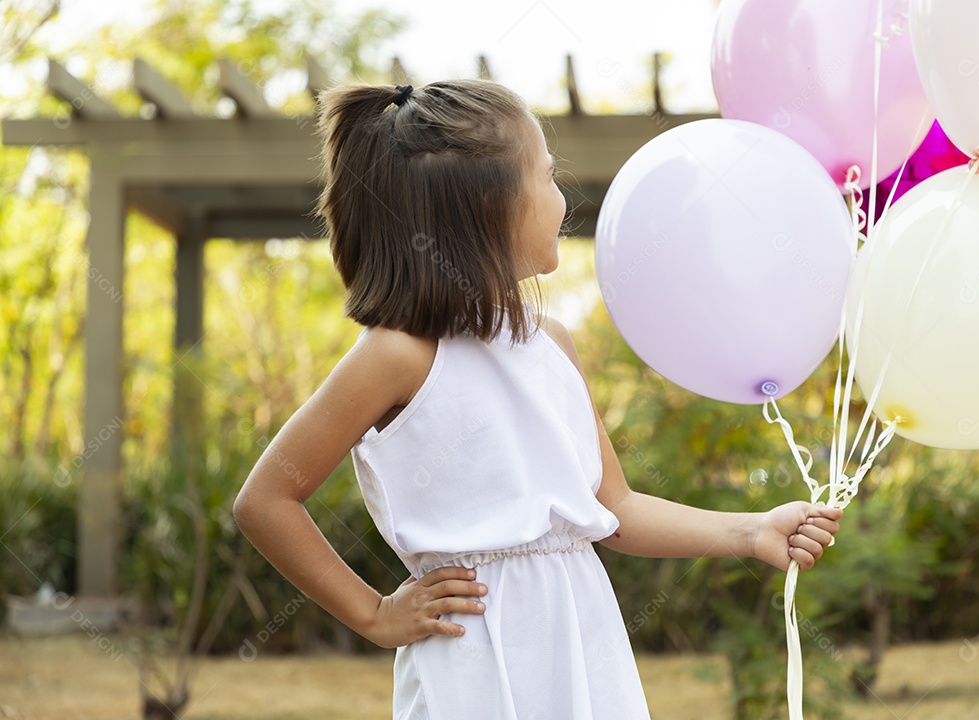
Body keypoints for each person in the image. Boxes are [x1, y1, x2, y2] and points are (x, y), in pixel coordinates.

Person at [232, 79, 843, 719]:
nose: (562, 199)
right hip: (472, 661)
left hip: (581, 648)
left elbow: (617, 508)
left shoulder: (550, 342)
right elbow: (267, 500)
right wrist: (375, 614)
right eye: (547, 178)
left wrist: (750, 530)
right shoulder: (396, 356)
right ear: (491, 207)